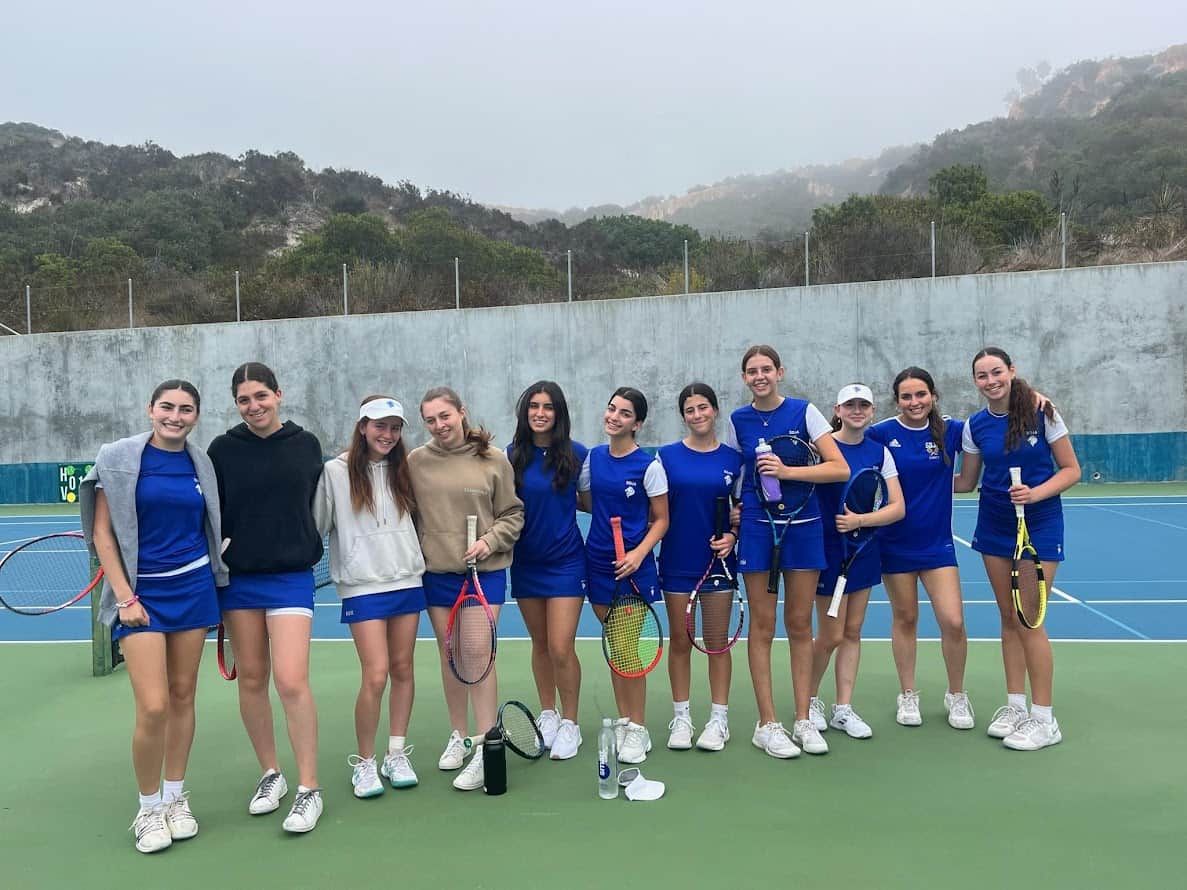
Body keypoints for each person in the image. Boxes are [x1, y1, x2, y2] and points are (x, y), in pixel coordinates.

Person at [80, 380, 226, 854]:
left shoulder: (200, 463)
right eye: (167, 407)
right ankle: (147, 809)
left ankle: (175, 798)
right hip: (140, 598)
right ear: (150, 409)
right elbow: (103, 534)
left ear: (196, 416)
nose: (175, 416)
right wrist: (124, 598)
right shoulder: (119, 458)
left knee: (184, 696)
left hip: (194, 588)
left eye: (186, 410)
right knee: (155, 705)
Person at [207, 362, 326, 833]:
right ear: (236, 404)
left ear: (279, 394)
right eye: (244, 399)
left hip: (291, 578)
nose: (253, 406)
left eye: (261, 396)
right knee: (252, 679)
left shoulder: (306, 444)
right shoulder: (221, 450)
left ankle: (309, 788)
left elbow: (320, 502)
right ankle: (270, 774)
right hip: (240, 582)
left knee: (292, 681)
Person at [724, 345, 849, 759]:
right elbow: (735, 477)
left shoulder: (805, 411)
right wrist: (732, 517)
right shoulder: (737, 420)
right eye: (752, 371)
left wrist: (787, 471)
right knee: (762, 626)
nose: (759, 376)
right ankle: (768, 724)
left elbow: (839, 468)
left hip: (805, 526)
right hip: (759, 530)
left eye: (766, 369)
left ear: (780, 372)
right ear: (744, 378)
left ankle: (802, 720)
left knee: (799, 624)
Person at [954, 347, 1080, 751]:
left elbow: (1071, 470)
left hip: (1038, 524)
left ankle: (1045, 719)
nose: (990, 381)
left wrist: (1035, 494)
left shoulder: (1044, 412)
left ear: (1011, 371)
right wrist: (912, 478)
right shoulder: (975, 426)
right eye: (981, 375)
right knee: (1008, 617)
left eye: (996, 372)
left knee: (1030, 619)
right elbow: (967, 481)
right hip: (994, 524)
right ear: (974, 381)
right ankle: (1016, 706)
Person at [408, 387, 524, 791]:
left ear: (462, 412)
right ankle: (458, 735)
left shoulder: (493, 459)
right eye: (430, 420)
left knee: (476, 654)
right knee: (451, 654)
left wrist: (489, 541)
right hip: (437, 573)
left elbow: (512, 513)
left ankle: (486, 741)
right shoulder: (415, 463)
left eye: (445, 416)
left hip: (483, 571)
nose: (439, 426)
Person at [313, 396, 426, 797]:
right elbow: (318, 524)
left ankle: (396, 752)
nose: (388, 434)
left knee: (403, 669)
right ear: (363, 427)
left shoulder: (406, 469)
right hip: (363, 586)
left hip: (407, 581)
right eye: (380, 426)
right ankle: (365, 762)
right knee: (375, 674)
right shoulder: (335, 472)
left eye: (395, 427)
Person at [866, 368, 975, 730]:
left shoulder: (951, 431)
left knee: (953, 621)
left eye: (921, 395)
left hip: (937, 546)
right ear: (897, 400)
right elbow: (844, 447)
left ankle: (957, 695)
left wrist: (1037, 399)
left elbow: (996, 422)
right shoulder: (881, 433)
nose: (915, 402)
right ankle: (907, 694)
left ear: (933, 396)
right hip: (894, 543)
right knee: (906, 618)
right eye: (907, 396)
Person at [807, 384, 905, 740]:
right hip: (827, 551)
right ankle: (810, 700)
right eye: (851, 405)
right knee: (830, 634)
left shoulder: (880, 453)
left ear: (872, 411)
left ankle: (843, 708)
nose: (857, 410)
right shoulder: (822, 448)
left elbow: (897, 507)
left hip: (863, 549)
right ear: (837, 409)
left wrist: (860, 522)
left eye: (864, 405)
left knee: (852, 631)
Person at [577, 387, 670, 765]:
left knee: (629, 651)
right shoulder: (594, 458)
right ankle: (625, 718)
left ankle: (639, 728)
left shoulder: (648, 466)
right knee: (616, 648)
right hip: (598, 563)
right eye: (611, 408)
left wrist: (638, 552)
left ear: (638, 423)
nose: (614, 416)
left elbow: (662, 518)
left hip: (634, 568)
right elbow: (586, 500)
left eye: (625, 413)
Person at [656, 383, 742, 752]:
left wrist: (733, 535)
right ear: (683, 416)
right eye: (690, 410)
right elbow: (655, 509)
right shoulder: (665, 457)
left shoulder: (733, 460)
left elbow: (744, 510)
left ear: (715, 411)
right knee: (680, 642)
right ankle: (682, 717)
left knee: (717, 643)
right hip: (677, 563)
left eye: (703, 407)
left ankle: (718, 720)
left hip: (719, 566)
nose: (698, 415)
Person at [506, 381, 588, 761]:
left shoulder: (577, 454)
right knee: (540, 646)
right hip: (526, 565)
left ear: (559, 413)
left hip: (567, 562)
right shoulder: (510, 457)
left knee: (560, 646)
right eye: (534, 406)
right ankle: (549, 714)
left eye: (548, 407)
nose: (540, 413)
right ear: (525, 413)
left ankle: (571, 723)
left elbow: (591, 502)